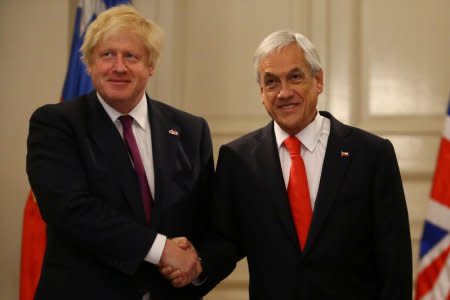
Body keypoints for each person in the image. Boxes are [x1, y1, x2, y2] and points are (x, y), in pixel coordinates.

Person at [192, 30, 413, 299]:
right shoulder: (238, 160)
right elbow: (224, 243)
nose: (284, 92)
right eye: (271, 82)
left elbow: (395, 264)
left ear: (318, 81)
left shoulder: (372, 154)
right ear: (262, 92)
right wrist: (192, 265)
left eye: (295, 77)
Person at [26, 5, 209, 300]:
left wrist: (196, 263)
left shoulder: (190, 130)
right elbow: (69, 209)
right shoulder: (56, 124)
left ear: (151, 65)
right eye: (107, 55)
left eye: (132, 56)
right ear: (89, 64)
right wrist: (162, 249)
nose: (119, 67)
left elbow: (206, 219)